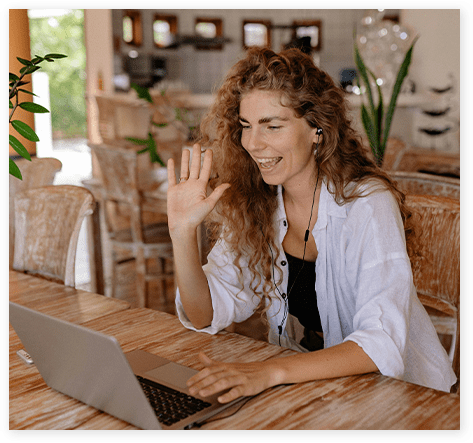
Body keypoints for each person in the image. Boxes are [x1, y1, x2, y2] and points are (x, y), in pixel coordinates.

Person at [166, 47, 456, 403]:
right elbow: (203, 313)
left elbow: (381, 343)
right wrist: (181, 235)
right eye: (246, 126)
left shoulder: (367, 204)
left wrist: (270, 373)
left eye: (272, 126)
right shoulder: (259, 203)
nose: (254, 144)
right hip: (318, 391)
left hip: (403, 398)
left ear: (317, 129)